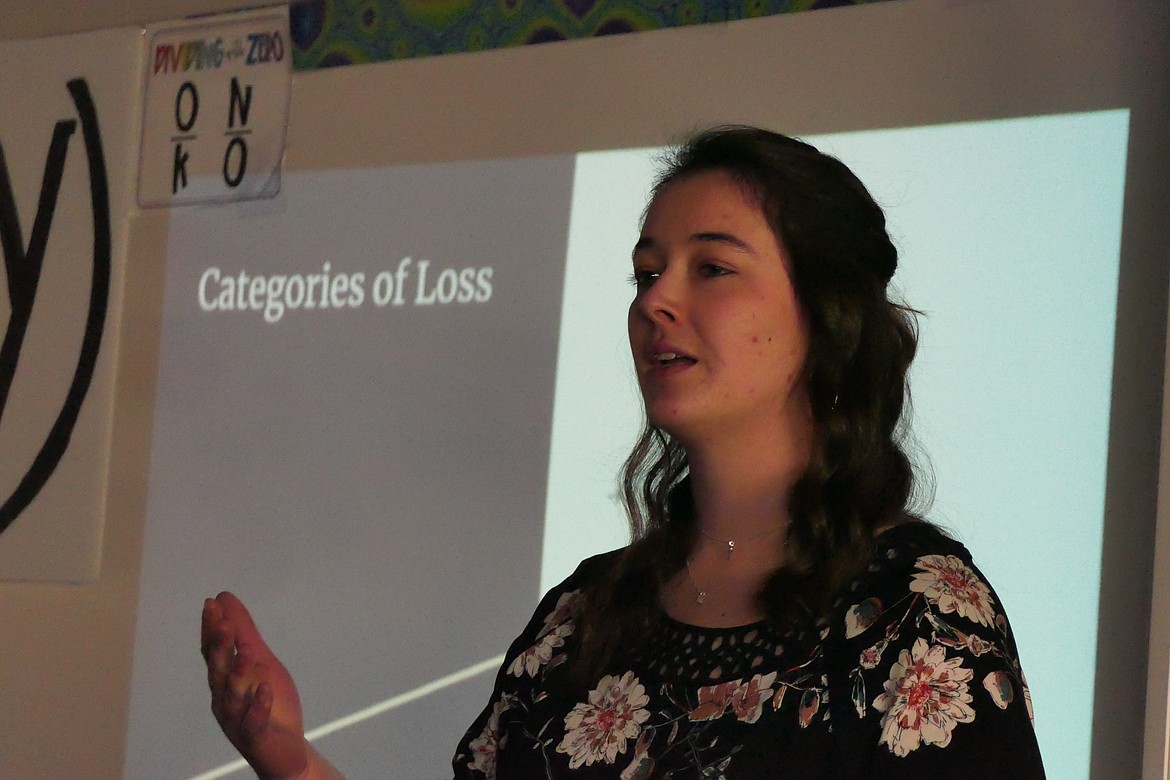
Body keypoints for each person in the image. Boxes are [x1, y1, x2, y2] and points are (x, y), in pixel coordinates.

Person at [202, 126, 1045, 778]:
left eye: (711, 269)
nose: (657, 303)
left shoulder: (915, 616)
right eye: (647, 274)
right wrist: (294, 760)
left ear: (825, 321)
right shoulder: (582, 620)